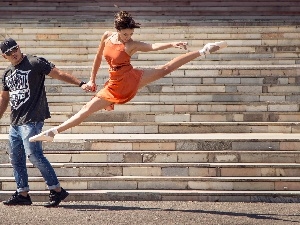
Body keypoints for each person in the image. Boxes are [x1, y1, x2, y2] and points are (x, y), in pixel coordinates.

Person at [29, 11, 227, 142]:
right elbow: (98, 57)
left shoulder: (131, 45)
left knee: (165, 68)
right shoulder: (107, 36)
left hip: (130, 77)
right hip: (113, 82)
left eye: (130, 34)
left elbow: (152, 47)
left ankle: (203, 51)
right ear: (117, 30)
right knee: (85, 110)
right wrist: (92, 79)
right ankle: (53, 132)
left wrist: (172, 43)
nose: (128, 37)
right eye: (125, 34)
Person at [0, 37, 92, 207]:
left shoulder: (34, 62)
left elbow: (59, 74)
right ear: (4, 56)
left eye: (14, 49)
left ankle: (57, 191)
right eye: (8, 53)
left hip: (32, 119)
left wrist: (81, 83)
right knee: (16, 158)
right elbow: (4, 98)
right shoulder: (7, 73)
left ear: (19, 47)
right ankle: (23, 193)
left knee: (34, 155)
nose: (13, 54)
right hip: (15, 123)